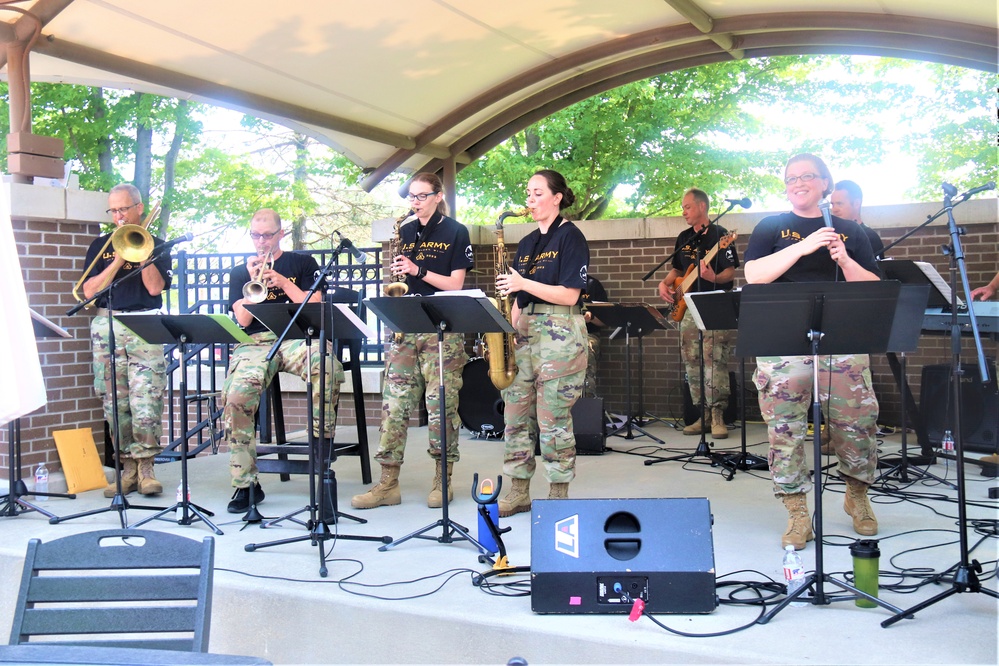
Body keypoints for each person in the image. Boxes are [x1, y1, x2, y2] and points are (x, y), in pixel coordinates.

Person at [744, 153, 881, 550]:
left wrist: (846, 259)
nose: (798, 183)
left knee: (856, 425)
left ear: (825, 183)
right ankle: (797, 512)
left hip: (843, 342)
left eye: (807, 176)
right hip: (783, 343)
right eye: (790, 178)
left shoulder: (853, 229)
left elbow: (873, 286)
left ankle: (856, 496)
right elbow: (754, 275)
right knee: (784, 430)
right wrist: (803, 248)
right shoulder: (771, 227)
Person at [351, 173, 473, 510]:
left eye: (421, 196)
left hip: (442, 330)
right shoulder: (404, 231)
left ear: (437, 196)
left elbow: (455, 284)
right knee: (393, 407)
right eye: (411, 197)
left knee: (441, 407)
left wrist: (417, 271)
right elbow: (401, 277)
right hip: (405, 328)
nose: (414, 202)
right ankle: (387, 484)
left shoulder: (455, 231)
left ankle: (442, 479)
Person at [222, 209, 343, 513]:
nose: (260, 242)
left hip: (298, 337)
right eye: (255, 235)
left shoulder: (302, 263)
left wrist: (284, 283)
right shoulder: (240, 272)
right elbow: (242, 317)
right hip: (256, 343)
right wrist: (254, 283)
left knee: (326, 367)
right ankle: (245, 484)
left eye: (267, 235)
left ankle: (321, 460)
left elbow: (316, 305)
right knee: (236, 395)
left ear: (281, 234)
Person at [495, 169, 590, 516]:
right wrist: (509, 331)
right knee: (515, 415)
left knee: (553, 420)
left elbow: (569, 294)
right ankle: (519, 490)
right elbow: (519, 296)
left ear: (557, 197)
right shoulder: (528, 242)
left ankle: (558, 495)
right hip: (527, 334)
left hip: (560, 331)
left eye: (537, 193)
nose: (530, 201)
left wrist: (522, 284)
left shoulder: (571, 237)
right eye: (528, 193)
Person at [81, 184, 171, 498]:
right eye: (114, 211)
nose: (119, 216)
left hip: (145, 323)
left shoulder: (156, 244)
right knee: (113, 403)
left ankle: (147, 470)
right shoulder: (100, 246)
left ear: (139, 208)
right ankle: (128, 471)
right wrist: (118, 259)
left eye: (124, 209)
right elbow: (89, 292)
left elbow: (155, 289)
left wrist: (142, 253)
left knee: (145, 400)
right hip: (107, 323)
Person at [657, 188, 739, 439]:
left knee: (713, 358)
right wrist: (664, 284)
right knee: (691, 359)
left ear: (702, 207)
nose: (683, 212)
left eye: (687, 207)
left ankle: (717, 415)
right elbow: (677, 269)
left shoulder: (721, 235)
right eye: (683, 208)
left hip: (714, 302)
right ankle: (701, 413)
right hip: (689, 304)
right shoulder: (683, 236)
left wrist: (712, 277)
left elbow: (730, 272)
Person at [830, 180, 885, 259]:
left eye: (839, 204)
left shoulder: (869, 237)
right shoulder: (832, 235)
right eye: (832, 204)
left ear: (856, 204)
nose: (834, 209)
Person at [581, 275, 607, 397]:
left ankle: (587, 398)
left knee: (586, 348)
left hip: (588, 333)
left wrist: (590, 318)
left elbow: (605, 320)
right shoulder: (554, 284)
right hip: (559, 333)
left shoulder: (592, 284)